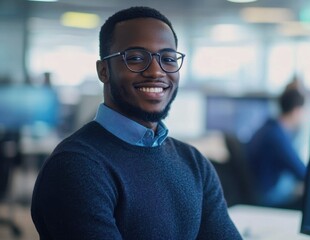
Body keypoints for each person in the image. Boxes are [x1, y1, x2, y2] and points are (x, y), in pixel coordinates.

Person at [31, 6, 242, 240]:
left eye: (168, 59)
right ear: (104, 71)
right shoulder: (76, 167)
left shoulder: (194, 163)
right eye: (135, 58)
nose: (156, 71)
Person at [246, 88, 306, 209]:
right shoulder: (277, 136)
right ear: (296, 111)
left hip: (258, 188)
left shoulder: (269, 126)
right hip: (267, 196)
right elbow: (302, 172)